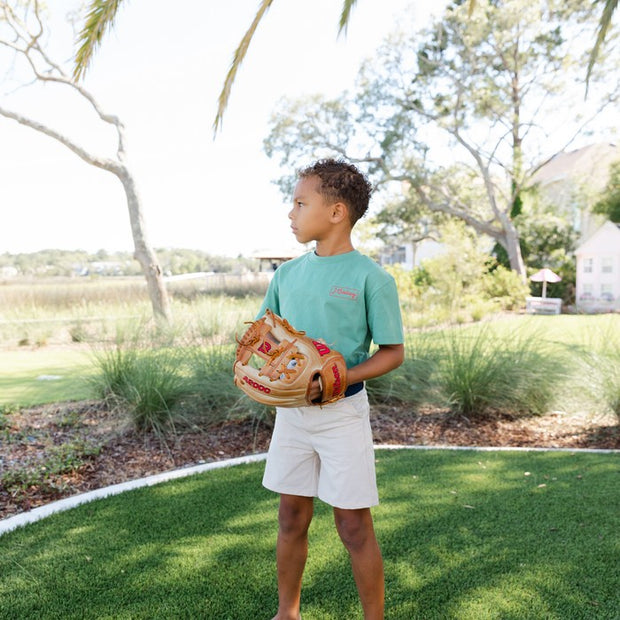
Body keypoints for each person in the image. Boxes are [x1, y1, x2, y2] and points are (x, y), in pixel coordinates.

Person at [257, 158, 405, 620]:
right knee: (290, 518)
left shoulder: (372, 278)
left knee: (353, 525)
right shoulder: (286, 275)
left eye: (301, 203)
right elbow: (265, 337)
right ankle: (288, 613)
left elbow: (391, 351)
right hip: (293, 416)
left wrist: (340, 376)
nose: (291, 214)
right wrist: (260, 367)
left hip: (342, 415)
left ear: (337, 212)